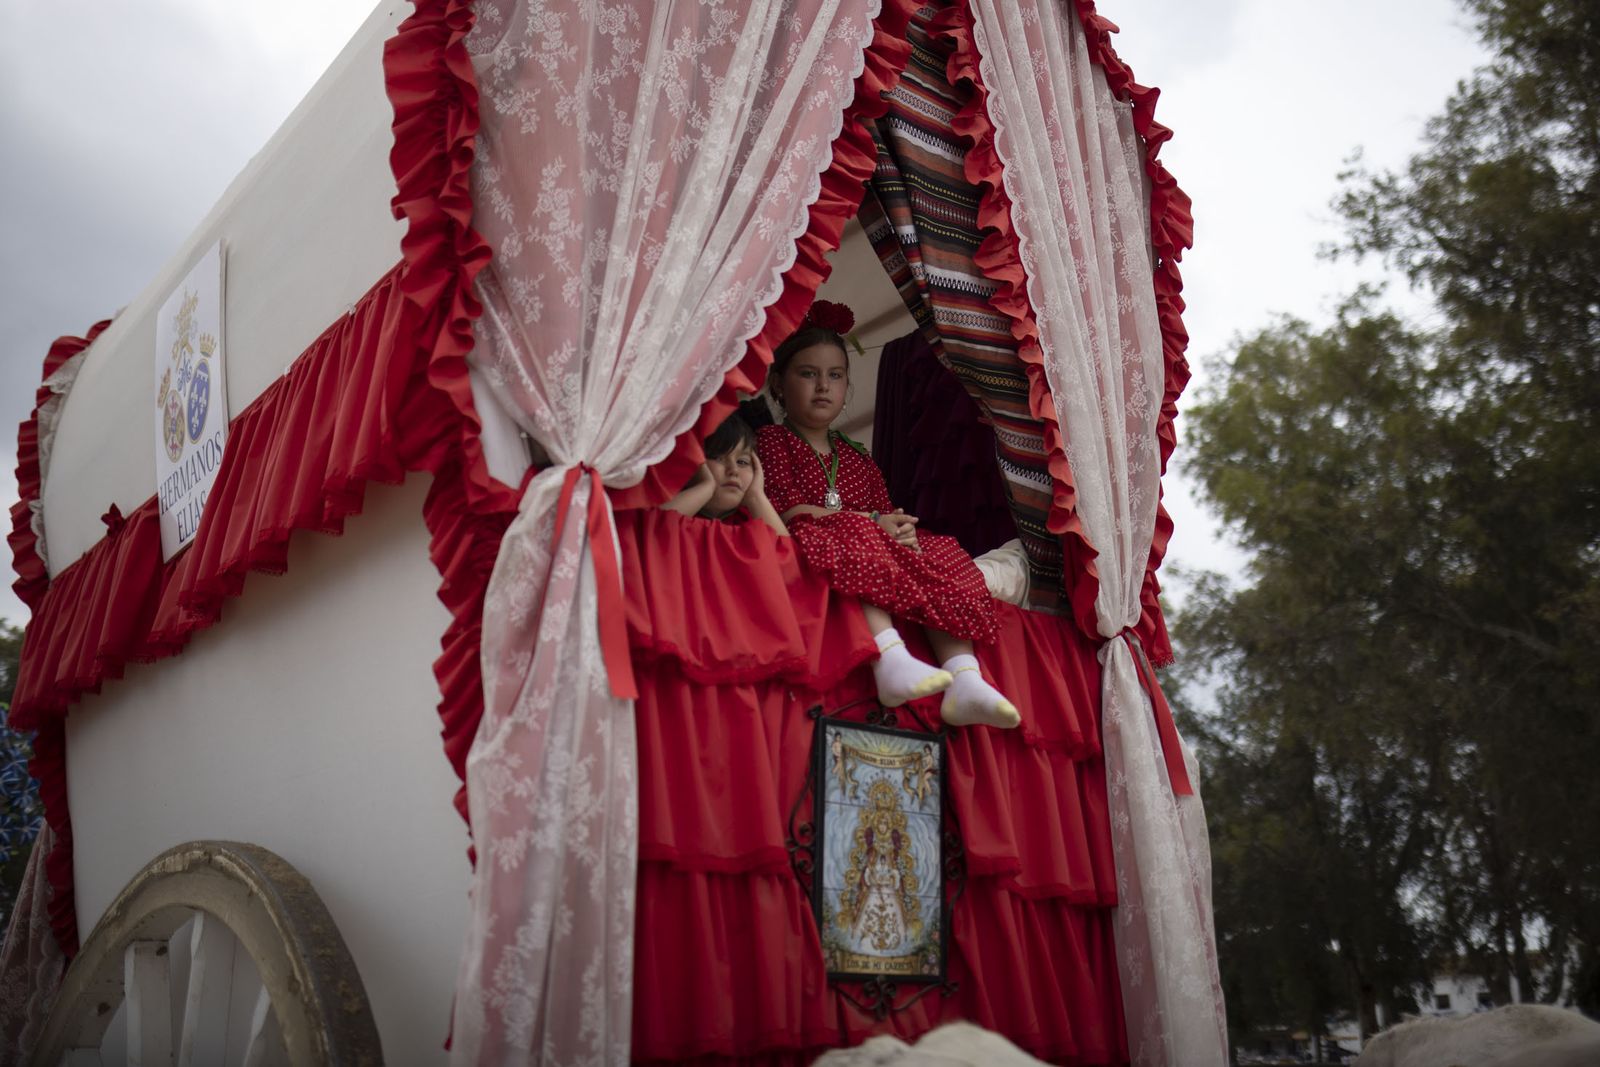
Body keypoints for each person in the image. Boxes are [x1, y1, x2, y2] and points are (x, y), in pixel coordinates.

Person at [756, 301, 1019, 730]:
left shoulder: (857, 457)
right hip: (810, 541)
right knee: (853, 525)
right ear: (778, 384)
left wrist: (899, 529)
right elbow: (784, 509)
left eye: (835, 375)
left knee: (941, 549)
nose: (823, 386)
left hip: (868, 541)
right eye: (808, 374)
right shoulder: (773, 440)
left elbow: (883, 510)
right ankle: (888, 656)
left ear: (846, 387)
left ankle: (964, 676)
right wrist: (869, 523)